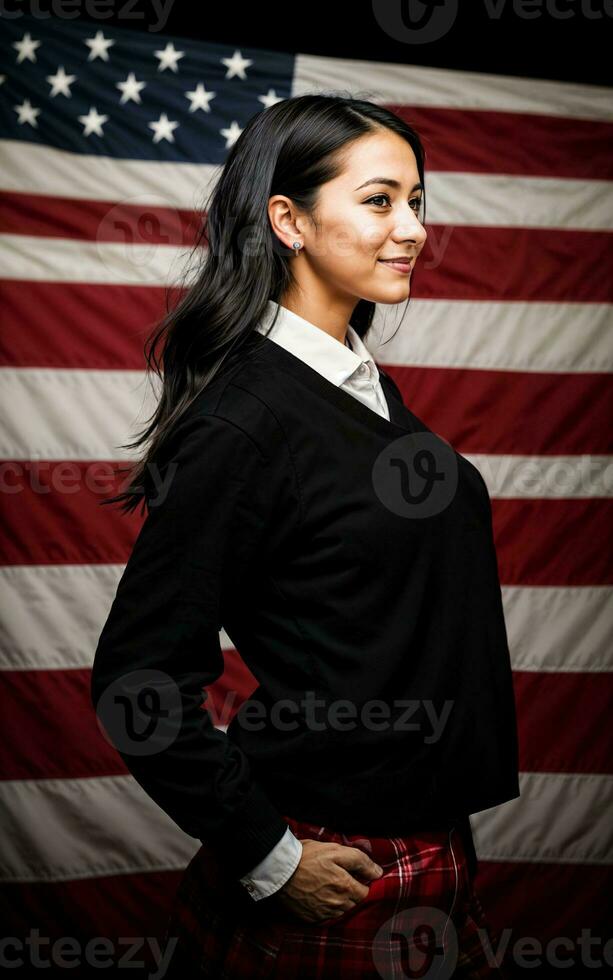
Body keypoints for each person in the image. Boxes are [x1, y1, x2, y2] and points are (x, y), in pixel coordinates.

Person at [91, 93, 519, 978]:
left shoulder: (358, 384)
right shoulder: (245, 420)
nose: (412, 230)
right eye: (378, 200)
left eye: (416, 202)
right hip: (334, 857)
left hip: (431, 843)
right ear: (286, 220)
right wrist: (269, 858)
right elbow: (139, 676)